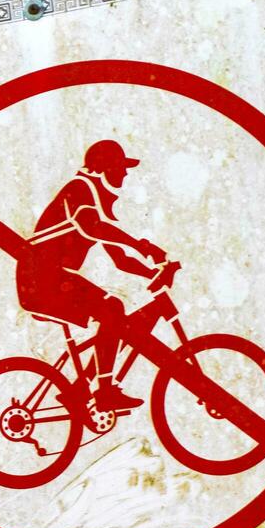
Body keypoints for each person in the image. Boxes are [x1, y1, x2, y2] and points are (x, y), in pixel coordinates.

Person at [16, 139, 166, 412]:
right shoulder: (80, 190)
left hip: (52, 276)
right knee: (111, 309)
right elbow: (92, 228)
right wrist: (142, 246)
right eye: (120, 167)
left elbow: (119, 260)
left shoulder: (94, 202)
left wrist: (152, 271)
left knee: (113, 315)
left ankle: (77, 393)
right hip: (41, 277)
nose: (125, 173)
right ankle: (105, 391)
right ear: (104, 168)